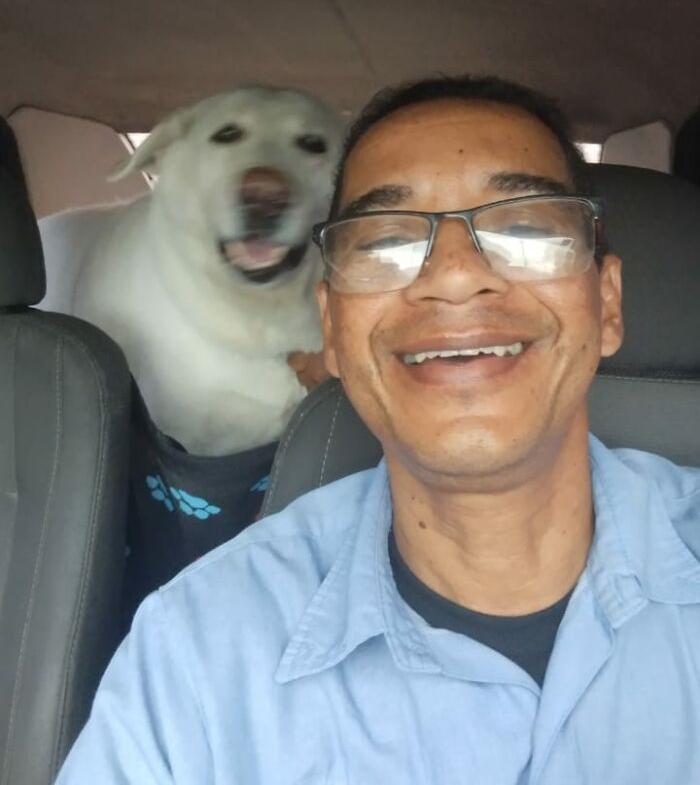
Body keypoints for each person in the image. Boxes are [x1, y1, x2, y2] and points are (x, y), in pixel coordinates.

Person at [57, 75, 700, 784]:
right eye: (387, 239)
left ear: (606, 304)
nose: (454, 277)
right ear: (331, 328)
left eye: (522, 227)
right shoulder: (196, 653)